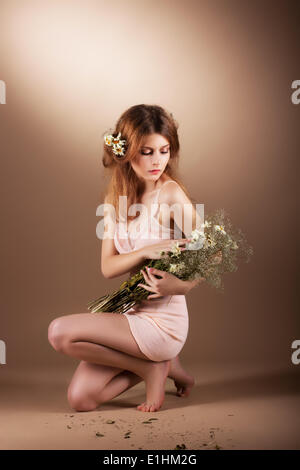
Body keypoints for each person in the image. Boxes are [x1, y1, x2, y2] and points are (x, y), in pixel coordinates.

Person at [48, 104, 212, 413]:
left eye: (164, 151)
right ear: (126, 152)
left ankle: (159, 362)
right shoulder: (115, 200)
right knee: (81, 399)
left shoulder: (171, 193)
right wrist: (146, 251)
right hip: (131, 314)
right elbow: (108, 267)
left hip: (164, 322)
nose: (157, 161)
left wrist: (181, 286)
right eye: (147, 152)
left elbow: (213, 249)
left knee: (59, 331)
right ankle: (156, 368)